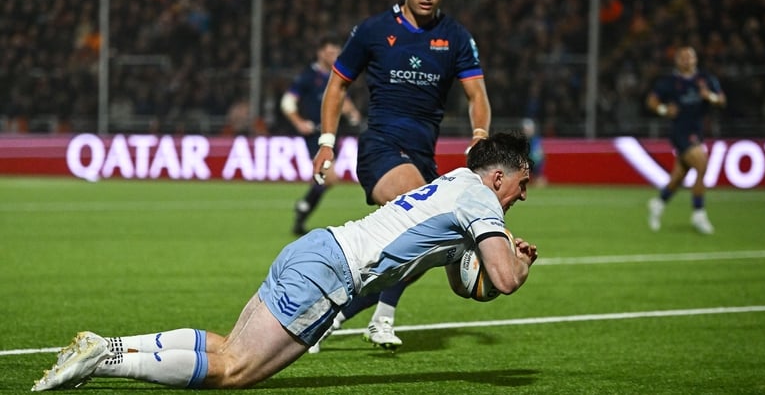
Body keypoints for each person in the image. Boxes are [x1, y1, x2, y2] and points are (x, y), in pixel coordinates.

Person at [31, 132, 537, 392]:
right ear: (498, 178)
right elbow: (504, 281)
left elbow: (468, 283)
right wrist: (519, 263)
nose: (522, 196)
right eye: (521, 184)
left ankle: (109, 348)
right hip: (332, 274)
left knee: (227, 348)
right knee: (234, 371)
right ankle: (104, 362)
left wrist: (495, 267)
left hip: (317, 249)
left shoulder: (454, 183)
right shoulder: (482, 202)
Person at [310, 0, 492, 351]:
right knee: (427, 220)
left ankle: (342, 315)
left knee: (419, 246)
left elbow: (477, 94)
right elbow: (337, 85)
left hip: (421, 157)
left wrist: (479, 133)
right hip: (380, 149)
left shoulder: (456, 38)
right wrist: (326, 142)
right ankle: (368, 315)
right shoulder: (374, 30)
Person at [281, 36, 361, 235]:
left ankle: (303, 210)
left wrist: (352, 114)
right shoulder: (308, 76)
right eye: (330, 52)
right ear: (320, 53)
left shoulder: (337, 75)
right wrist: (298, 122)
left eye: (336, 52)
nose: (334, 56)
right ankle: (303, 209)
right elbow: (287, 102)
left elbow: (343, 100)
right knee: (330, 177)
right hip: (316, 135)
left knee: (326, 179)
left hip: (334, 133)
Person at [646, 45, 726, 234]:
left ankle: (658, 203)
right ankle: (698, 213)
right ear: (677, 61)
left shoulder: (705, 79)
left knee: (678, 177)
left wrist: (711, 97)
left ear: (695, 59)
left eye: (690, 57)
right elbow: (651, 101)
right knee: (701, 163)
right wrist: (664, 110)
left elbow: (722, 100)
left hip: (697, 132)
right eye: (682, 57)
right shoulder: (670, 82)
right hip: (680, 132)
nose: (686, 60)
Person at [521, 118, 547, 187]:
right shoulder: (521, 141)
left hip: (535, 164)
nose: (527, 131)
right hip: (524, 164)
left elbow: (541, 154)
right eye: (526, 129)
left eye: (529, 129)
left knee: (539, 181)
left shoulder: (536, 140)